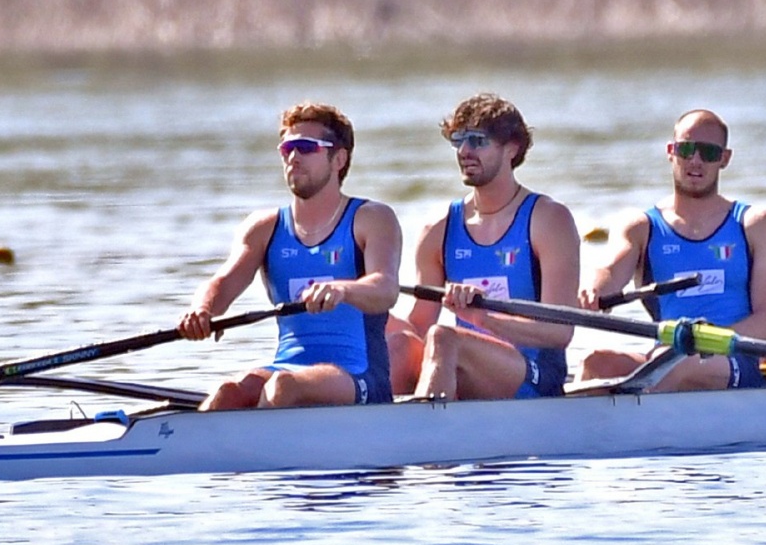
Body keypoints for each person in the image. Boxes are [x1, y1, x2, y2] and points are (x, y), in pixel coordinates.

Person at [178, 102, 402, 409]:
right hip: (288, 366)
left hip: (360, 377)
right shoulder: (264, 228)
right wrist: (201, 310)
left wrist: (342, 289)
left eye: (306, 147)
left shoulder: (371, 218)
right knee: (228, 391)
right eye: (287, 149)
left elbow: (385, 288)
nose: (294, 157)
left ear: (339, 159)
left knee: (283, 387)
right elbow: (223, 282)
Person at [578, 109, 766, 391]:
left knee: (681, 362)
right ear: (671, 152)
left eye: (708, 153)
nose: (696, 160)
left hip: (735, 361)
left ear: (724, 159)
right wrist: (594, 289)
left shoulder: (756, 225)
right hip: (665, 355)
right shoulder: (641, 226)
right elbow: (610, 271)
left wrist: (703, 340)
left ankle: (628, 424)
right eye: (686, 149)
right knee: (597, 363)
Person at [406, 93, 580, 400]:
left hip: (535, 374)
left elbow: (560, 332)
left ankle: (422, 434)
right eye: (458, 140)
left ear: (512, 149)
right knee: (399, 345)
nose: (464, 151)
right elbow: (419, 323)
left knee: (444, 337)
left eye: (478, 141)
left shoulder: (549, 219)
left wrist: (483, 319)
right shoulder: (438, 229)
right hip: (469, 363)